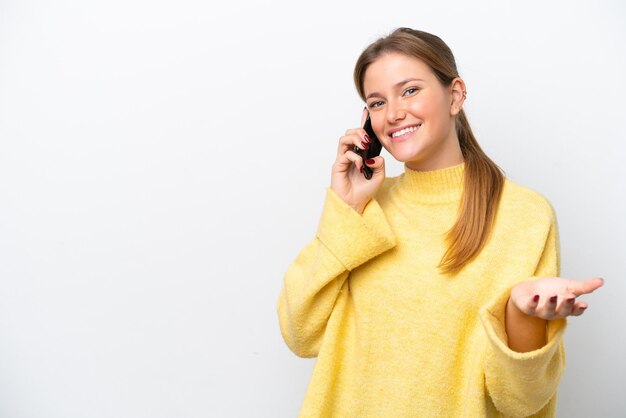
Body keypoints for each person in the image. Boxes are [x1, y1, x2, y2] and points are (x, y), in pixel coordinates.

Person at [277, 28, 604, 417]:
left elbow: (521, 402)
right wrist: (345, 210)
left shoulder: (524, 215)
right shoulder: (365, 207)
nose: (394, 113)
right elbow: (300, 333)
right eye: (377, 102)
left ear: (455, 95)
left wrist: (520, 314)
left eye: (410, 90)